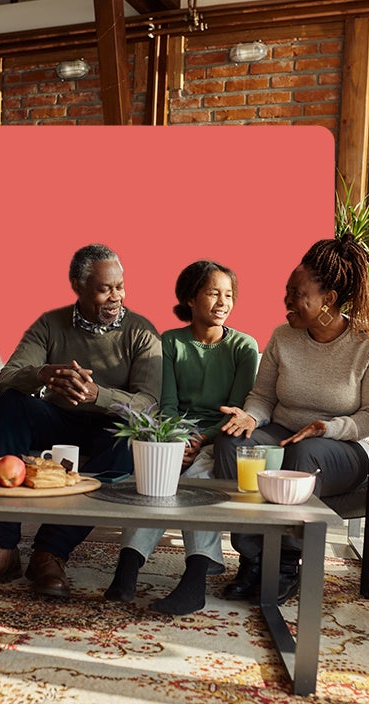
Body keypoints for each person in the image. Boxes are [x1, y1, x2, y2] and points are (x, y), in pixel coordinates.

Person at [0, 243, 162, 599]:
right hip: (58, 419)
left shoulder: (141, 332)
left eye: (120, 286)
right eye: (104, 288)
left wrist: (100, 395)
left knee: (133, 438)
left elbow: (150, 404)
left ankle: (50, 553)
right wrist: (44, 373)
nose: (116, 297)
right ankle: (2, 546)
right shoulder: (50, 324)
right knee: (12, 404)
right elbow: (8, 378)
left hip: (107, 428)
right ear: (78, 287)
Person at [215, 235, 369, 604]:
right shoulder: (284, 337)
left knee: (303, 458)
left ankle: (284, 565)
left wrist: (329, 428)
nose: (287, 301)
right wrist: (251, 417)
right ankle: (251, 559)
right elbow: (264, 396)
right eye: (287, 290)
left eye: (297, 293)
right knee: (233, 445)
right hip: (283, 433)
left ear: (328, 300)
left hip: (340, 448)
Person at [104, 260, 259, 614]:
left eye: (229, 295)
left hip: (217, 438)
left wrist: (199, 441)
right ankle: (128, 567)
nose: (223, 302)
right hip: (173, 432)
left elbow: (236, 410)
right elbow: (168, 404)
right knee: (155, 478)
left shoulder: (244, 347)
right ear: (190, 298)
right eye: (213, 293)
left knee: (198, 480)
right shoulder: (170, 342)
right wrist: (177, 441)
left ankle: (195, 579)